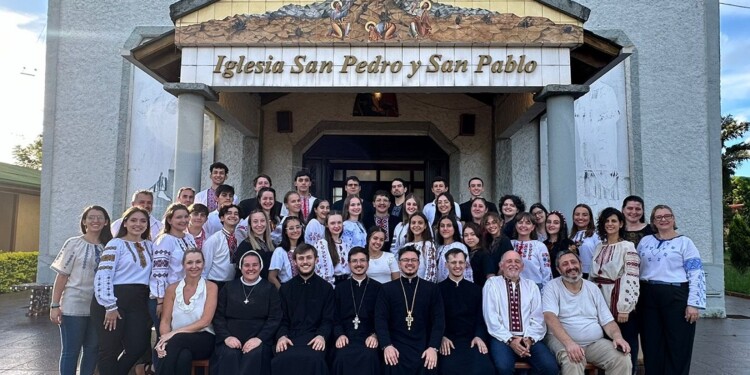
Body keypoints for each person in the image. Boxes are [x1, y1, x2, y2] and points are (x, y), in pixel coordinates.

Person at [637, 205, 706, 375]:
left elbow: (696, 273)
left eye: (667, 216)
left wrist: (694, 304)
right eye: (658, 217)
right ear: (653, 221)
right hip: (648, 295)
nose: (663, 219)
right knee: (652, 342)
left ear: (673, 219)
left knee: (678, 343)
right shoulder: (645, 241)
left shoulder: (685, 243)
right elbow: (635, 267)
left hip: (676, 295)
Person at [543, 251, 632, 375]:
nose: (570, 267)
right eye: (565, 264)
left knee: (622, 358)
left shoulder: (592, 288)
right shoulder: (551, 287)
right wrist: (569, 343)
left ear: (580, 264)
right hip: (562, 340)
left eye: (573, 262)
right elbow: (549, 317)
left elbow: (608, 321)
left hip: (594, 343)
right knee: (573, 359)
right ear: (558, 269)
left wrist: (618, 337)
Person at [50, 205, 112, 375]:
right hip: (73, 304)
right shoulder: (73, 243)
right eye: (91, 217)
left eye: (100, 217)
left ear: (106, 222)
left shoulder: (110, 246)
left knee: (92, 349)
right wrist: (55, 305)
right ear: (84, 221)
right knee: (71, 351)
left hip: (99, 306)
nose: (95, 221)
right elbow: (62, 276)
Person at [93, 206, 154, 375]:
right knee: (109, 349)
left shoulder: (150, 245)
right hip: (115, 298)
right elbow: (103, 274)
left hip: (139, 299)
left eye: (143, 221)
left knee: (138, 345)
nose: (138, 224)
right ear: (125, 223)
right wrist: (109, 305)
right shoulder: (116, 243)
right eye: (133, 220)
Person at [483, 251, 558, 375]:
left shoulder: (531, 286)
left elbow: (538, 317)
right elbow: (491, 318)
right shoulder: (492, 284)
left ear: (522, 266)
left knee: (550, 367)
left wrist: (529, 339)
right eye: (509, 261)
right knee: (503, 367)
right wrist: (511, 340)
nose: (513, 264)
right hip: (501, 338)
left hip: (529, 337)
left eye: (517, 261)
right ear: (501, 266)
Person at [375, 245, 445, 374]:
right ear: (399, 263)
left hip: (423, 344)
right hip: (395, 344)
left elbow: (438, 321)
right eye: (405, 260)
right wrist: (387, 345)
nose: (410, 263)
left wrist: (433, 347)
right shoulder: (386, 289)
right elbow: (380, 320)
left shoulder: (431, 289)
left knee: (429, 365)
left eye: (413, 260)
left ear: (419, 263)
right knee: (391, 364)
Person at [212, 250, 282, 375]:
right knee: (229, 355)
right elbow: (218, 316)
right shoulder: (228, 287)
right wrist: (227, 337)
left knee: (254, 356)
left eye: (255, 265)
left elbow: (274, 318)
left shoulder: (269, 289)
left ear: (260, 267)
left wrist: (259, 339)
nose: (251, 269)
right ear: (240, 267)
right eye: (247, 265)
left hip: (259, 338)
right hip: (231, 337)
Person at [591, 207, 640, 373]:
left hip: (618, 299)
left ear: (620, 224)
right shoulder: (599, 247)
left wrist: (625, 307)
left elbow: (631, 277)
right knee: (606, 340)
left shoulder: (627, 247)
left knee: (626, 339)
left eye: (614, 221)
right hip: (600, 297)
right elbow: (593, 275)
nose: (610, 224)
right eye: (607, 221)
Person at [272, 243, 334, 375]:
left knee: (315, 359)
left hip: (315, 337)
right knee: (281, 359)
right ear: (294, 262)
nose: (305, 262)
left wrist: (322, 335)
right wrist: (282, 336)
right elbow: (281, 319)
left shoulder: (326, 288)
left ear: (316, 260)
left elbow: (328, 319)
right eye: (301, 258)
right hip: (290, 338)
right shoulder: (286, 289)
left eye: (309, 258)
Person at [154, 249, 217, 375]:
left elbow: (205, 321)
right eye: (190, 263)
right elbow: (165, 321)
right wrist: (164, 341)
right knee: (183, 357)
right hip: (176, 342)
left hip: (203, 338)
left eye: (198, 262)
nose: (194, 266)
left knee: (176, 341)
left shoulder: (211, 287)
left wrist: (172, 335)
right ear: (183, 265)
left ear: (203, 264)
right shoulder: (172, 289)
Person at [437, 249, 494, 374]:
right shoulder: (437, 290)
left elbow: (481, 318)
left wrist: (479, 336)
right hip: (448, 340)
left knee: (484, 368)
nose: (457, 266)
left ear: (465, 264)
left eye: (461, 262)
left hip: (472, 339)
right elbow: (435, 319)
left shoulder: (476, 290)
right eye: (453, 263)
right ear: (446, 265)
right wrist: (442, 337)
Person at [332, 247, 383, 375]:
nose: (358, 264)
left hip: (369, 336)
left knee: (370, 357)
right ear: (349, 264)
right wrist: (339, 334)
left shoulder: (379, 288)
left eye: (362, 260)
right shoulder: (339, 289)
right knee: (341, 357)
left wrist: (375, 335)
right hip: (346, 336)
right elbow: (334, 316)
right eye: (354, 261)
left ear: (368, 263)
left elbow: (382, 317)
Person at [202, 204, 243, 289]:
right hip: (215, 283)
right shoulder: (213, 240)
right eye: (229, 213)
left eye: (236, 214)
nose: (233, 216)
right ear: (222, 218)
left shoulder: (240, 238)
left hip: (233, 283)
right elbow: (205, 265)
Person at [511, 212, 552, 289]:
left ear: (533, 227)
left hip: (535, 287)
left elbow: (546, 271)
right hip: (514, 287)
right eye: (520, 222)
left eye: (527, 223)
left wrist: (545, 292)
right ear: (516, 225)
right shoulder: (510, 244)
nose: (523, 225)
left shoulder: (540, 246)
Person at [315, 212, 351, 285]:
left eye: (339, 222)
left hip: (346, 283)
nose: (336, 226)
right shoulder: (322, 244)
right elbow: (323, 272)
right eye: (332, 223)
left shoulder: (345, 244)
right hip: (332, 284)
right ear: (326, 225)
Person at [237, 209, 274, 280]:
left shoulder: (272, 244)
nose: (259, 224)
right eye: (255, 221)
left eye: (262, 221)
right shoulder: (245, 246)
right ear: (250, 225)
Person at [435, 216, 472, 283]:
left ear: (454, 228)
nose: (445, 228)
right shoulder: (439, 249)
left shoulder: (459, 246)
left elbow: (466, 272)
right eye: (442, 226)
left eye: (449, 225)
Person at [268, 217, 303, 288]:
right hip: (288, 289)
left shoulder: (305, 248)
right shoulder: (280, 251)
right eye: (291, 228)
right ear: (285, 231)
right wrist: (283, 293)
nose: (295, 230)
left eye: (298, 227)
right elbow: (271, 277)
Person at [404, 212, 438, 283]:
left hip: (423, 288)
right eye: (413, 222)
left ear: (425, 226)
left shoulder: (429, 245)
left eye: (420, 223)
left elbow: (431, 271)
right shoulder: (406, 246)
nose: (416, 225)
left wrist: (424, 289)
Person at [570, 203, 601, 279]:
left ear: (590, 218)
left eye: (584, 215)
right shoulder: (570, 237)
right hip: (574, 275)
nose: (580, 217)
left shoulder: (596, 235)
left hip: (592, 275)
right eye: (577, 214)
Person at [481, 212, 513, 278]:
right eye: (488, 224)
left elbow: (507, 262)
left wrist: (496, 279)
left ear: (501, 223)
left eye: (494, 222)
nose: (491, 226)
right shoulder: (486, 241)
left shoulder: (505, 240)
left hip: (500, 279)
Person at [544, 211, 574, 278]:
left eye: (556, 223)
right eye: (548, 222)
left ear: (561, 225)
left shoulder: (568, 244)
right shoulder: (542, 244)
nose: (551, 225)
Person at [462, 222, 491, 288]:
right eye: (466, 235)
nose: (469, 238)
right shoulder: (465, 253)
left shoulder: (484, 254)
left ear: (479, 235)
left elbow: (490, 277)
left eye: (473, 234)